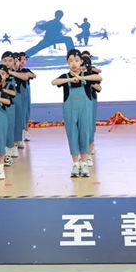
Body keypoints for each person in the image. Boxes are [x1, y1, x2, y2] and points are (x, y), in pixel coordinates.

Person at [52, 49, 101, 178]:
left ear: (81, 62)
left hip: (85, 110)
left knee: (84, 133)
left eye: (77, 60)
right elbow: (54, 82)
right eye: (71, 61)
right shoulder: (65, 76)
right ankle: (75, 164)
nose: (74, 63)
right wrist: (70, 79)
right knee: (72, 135)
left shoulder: (87, 75)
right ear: (67, 62)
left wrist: (81, 78)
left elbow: (98, 78)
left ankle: (84, 163)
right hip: (70, 111)